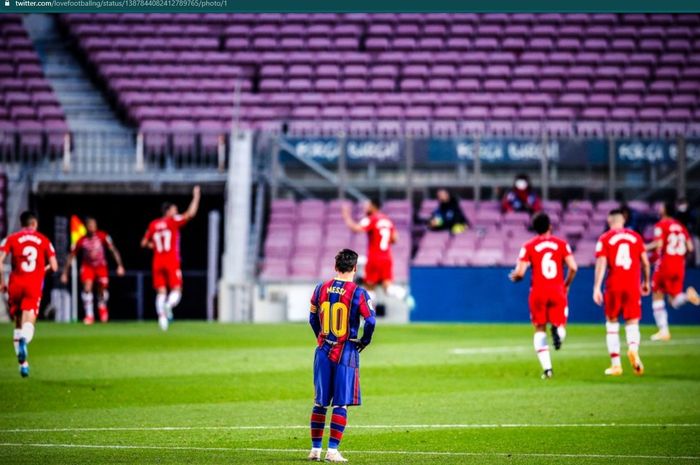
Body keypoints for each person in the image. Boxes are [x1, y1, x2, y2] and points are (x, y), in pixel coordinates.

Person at [307, 248, 376, 463]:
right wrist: (364, 341)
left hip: (323, 351)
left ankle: (315, 450)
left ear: (335, 267)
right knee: (340, 403)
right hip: (345, 351)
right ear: (355, 268)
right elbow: (371, 321)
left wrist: (321, 336)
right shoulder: (359, 293)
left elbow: (311, 319)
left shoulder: (320, 289)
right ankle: (332, 451)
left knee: (320, 402)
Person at [509, 212, 578, 379]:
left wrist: (515, 276)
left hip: (538, 291)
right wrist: (566, 284)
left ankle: (547, 370)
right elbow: (573, 267)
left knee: (539, 328)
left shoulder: (529, 246)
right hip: (557, 289)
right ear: (550, 226)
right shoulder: (561, 244)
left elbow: (520, 272)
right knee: (560, 323)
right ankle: (558, 332)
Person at [0, 211, 58, 378]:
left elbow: (0, 259)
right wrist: (41, 270)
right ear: (35, 223)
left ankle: (23, 365)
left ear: (22, 224)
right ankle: (25, 340)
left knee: (17, 323)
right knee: (28, 322)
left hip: (15, 284)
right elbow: (54, 266)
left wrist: (1, 282)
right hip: (32, 284)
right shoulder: (44, 240)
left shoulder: (12, 238)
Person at [593, 209, 651, 376]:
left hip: (614, 285)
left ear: (610, 221)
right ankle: (633, 349)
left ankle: (616, 365)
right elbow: (646, 263)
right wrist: (646, 282)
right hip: (632, 285)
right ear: (623, 221)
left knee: (612, 324)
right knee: (632, 322)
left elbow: (601, 264)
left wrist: (597, 287)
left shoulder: (605, 238)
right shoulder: (636, 237)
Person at [141, 185, 200, 331]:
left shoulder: (153, 224)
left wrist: (155, 246)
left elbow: (143, 243)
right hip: (171, 260)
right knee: (177, 290)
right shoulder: (172, 221)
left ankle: (162, 319)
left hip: (157, 260)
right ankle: (169, 306)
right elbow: (190, 214)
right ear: (168, 211)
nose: (176, 212)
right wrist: (196, 196)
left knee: (161, 291)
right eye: (174, 209)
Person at [341, 198, 411, 306]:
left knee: (369, 286)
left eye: (367, 206)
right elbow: (395, 239)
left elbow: (356, 228)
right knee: (387, 287)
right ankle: (402, 293)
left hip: (375, 257)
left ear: (373, 206)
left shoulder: (371, 219)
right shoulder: (387, 220)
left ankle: (367, 315)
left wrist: (346, 217)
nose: (365, 208)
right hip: (387, 257)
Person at [646, 201, 699, 342]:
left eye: (661, 207)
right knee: (673, 300)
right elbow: (690, 247)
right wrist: (680, 258)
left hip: (665, 264)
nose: (659, 208)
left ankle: (663, 331)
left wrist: (642, 248)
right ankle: (688, 297)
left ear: (665, 210)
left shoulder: (661, 225)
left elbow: (659, 244)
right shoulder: (681, 227)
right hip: (679, 265)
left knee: (657, 294)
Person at [60, 217, 125, 324]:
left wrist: (120, 265)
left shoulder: (102, 236)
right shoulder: (81, 240)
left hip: (101, 267)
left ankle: (102, 308)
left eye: (93, 225)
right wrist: (65, 273)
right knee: (87, 287)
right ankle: (89, 315)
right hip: (88, 267)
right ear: (86, 227)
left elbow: (113, 250)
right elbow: (71, 256)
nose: (92, 227)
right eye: (89, 225)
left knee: (102, 289)